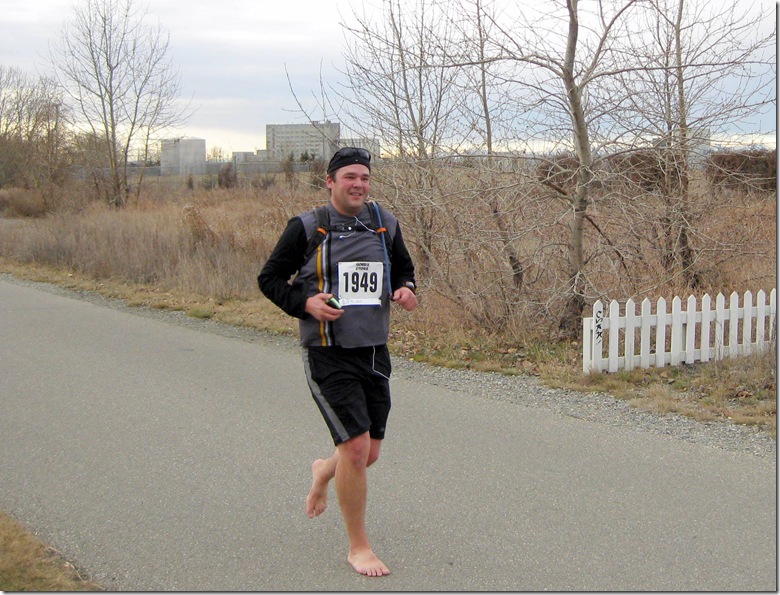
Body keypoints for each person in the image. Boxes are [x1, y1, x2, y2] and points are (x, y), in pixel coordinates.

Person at [258, 147, 418, 577]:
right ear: (330, 182)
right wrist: (305, 303)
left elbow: (404, 269)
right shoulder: (307, 226)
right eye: (349, 177)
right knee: (355, 448)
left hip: (373, 350)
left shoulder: (384, 222)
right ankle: (358, 547)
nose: (358, 185)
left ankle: (322, 471)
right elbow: (269, 279)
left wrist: (406, 288)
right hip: (327, 351)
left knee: (369, 453)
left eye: (364, 177)